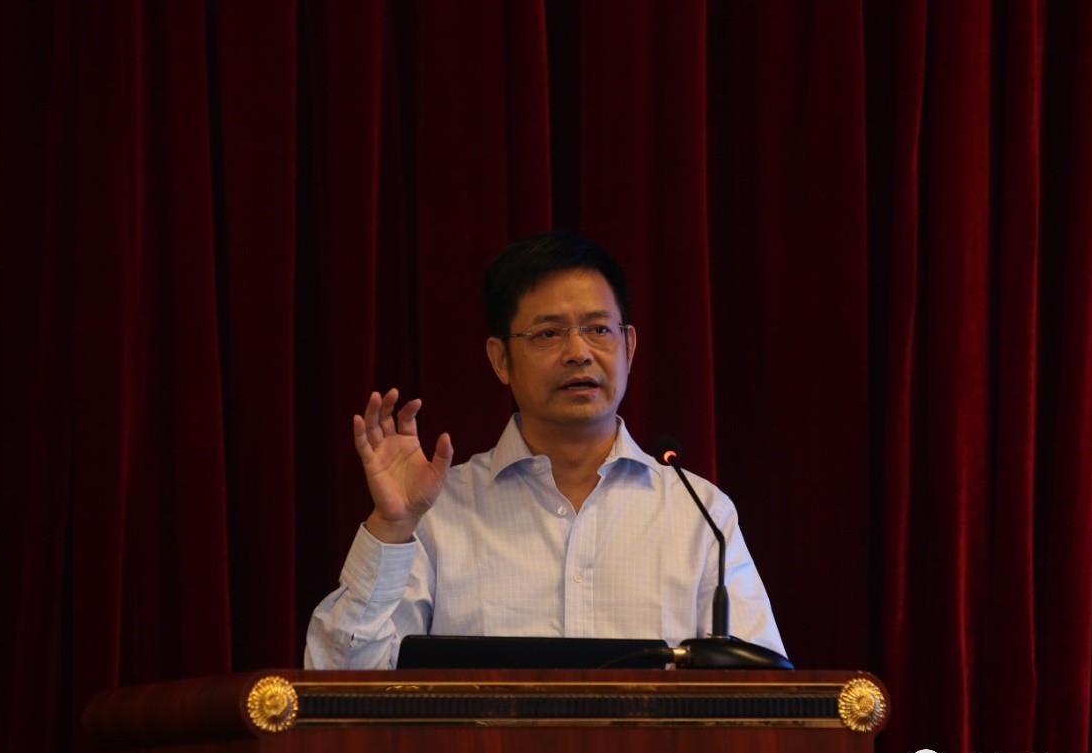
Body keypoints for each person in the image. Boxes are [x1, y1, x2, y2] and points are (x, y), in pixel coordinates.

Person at [304, 230, 785, 669]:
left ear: (629, 346)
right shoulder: (440, 511)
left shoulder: (699, 514)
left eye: (599, 329)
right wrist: (391, 527)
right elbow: (339, 682)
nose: (579, 352)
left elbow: (761, 693)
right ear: (501, 360)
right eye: (549, 333)